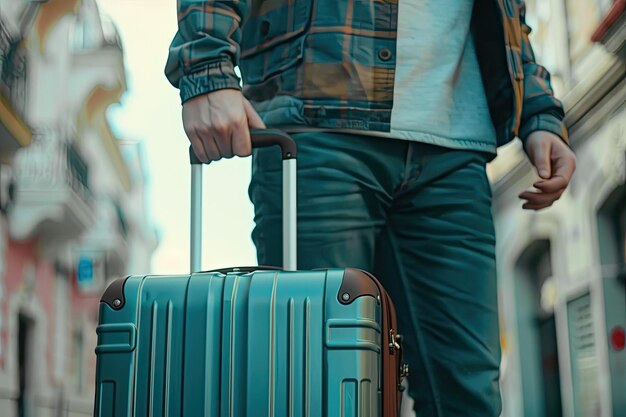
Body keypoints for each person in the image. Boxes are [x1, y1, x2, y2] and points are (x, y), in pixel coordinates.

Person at [165, 0, 576, 415]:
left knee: (468, 395)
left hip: (456, 146)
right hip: (318, 118)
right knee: (318, 384)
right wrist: (206, 68)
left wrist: (539, 111)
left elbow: (510, 17)